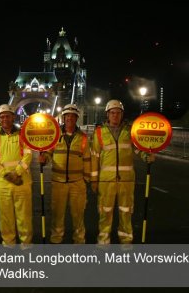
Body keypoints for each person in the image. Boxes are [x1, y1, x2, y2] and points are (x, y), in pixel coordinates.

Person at [91, 99, 155, 245]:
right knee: (105, 212)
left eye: (118, 113)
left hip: (126, 180)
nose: (115, 115)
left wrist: (147, 156)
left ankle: (126, 242)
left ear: (122, 114)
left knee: (126, 212)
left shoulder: (130, 131)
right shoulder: (99, 133)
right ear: (107, 114)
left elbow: (138, 150)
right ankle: (103, 243)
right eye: (112, 113)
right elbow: (94, 157)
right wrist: (94, 180)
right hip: (106, 181)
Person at [39, 104, 91, 244]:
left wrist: (87, 180)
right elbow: (49, 153)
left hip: (77, 183)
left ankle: (79, 241)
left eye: (72, 116)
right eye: (67, 116)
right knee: (57, 215)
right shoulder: (55, 136)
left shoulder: (84, 138)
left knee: (78, 215)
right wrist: (44, 159)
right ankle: (56, 240)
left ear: (76, 118)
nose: (69, 118)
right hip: (58, 182)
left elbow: (87, 160)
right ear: (63, 118)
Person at [0, 104, 33, 248]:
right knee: (5, 217)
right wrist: (6, 174)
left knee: (24, 216)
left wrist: (17, 172)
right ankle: (9, 244)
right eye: (2, 117)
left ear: (13, 117)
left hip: (22, 181)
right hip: (3, 183)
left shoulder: (23, 135)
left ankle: (26, 244)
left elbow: (28, 155)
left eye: (7, 116)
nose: (5, 119)